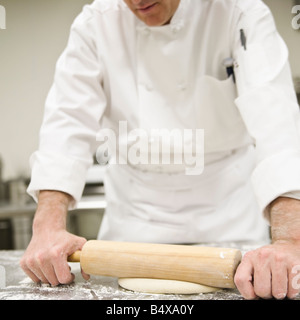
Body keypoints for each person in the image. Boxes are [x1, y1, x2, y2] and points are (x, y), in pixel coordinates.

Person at [20, 0, 300, 300]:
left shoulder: (239, 11)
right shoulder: (96, 24)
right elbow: (67, 122)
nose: (138, 1)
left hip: (227, 214)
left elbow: (276, 121)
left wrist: (290, 240)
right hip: (136, 224)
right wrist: (47, 226)